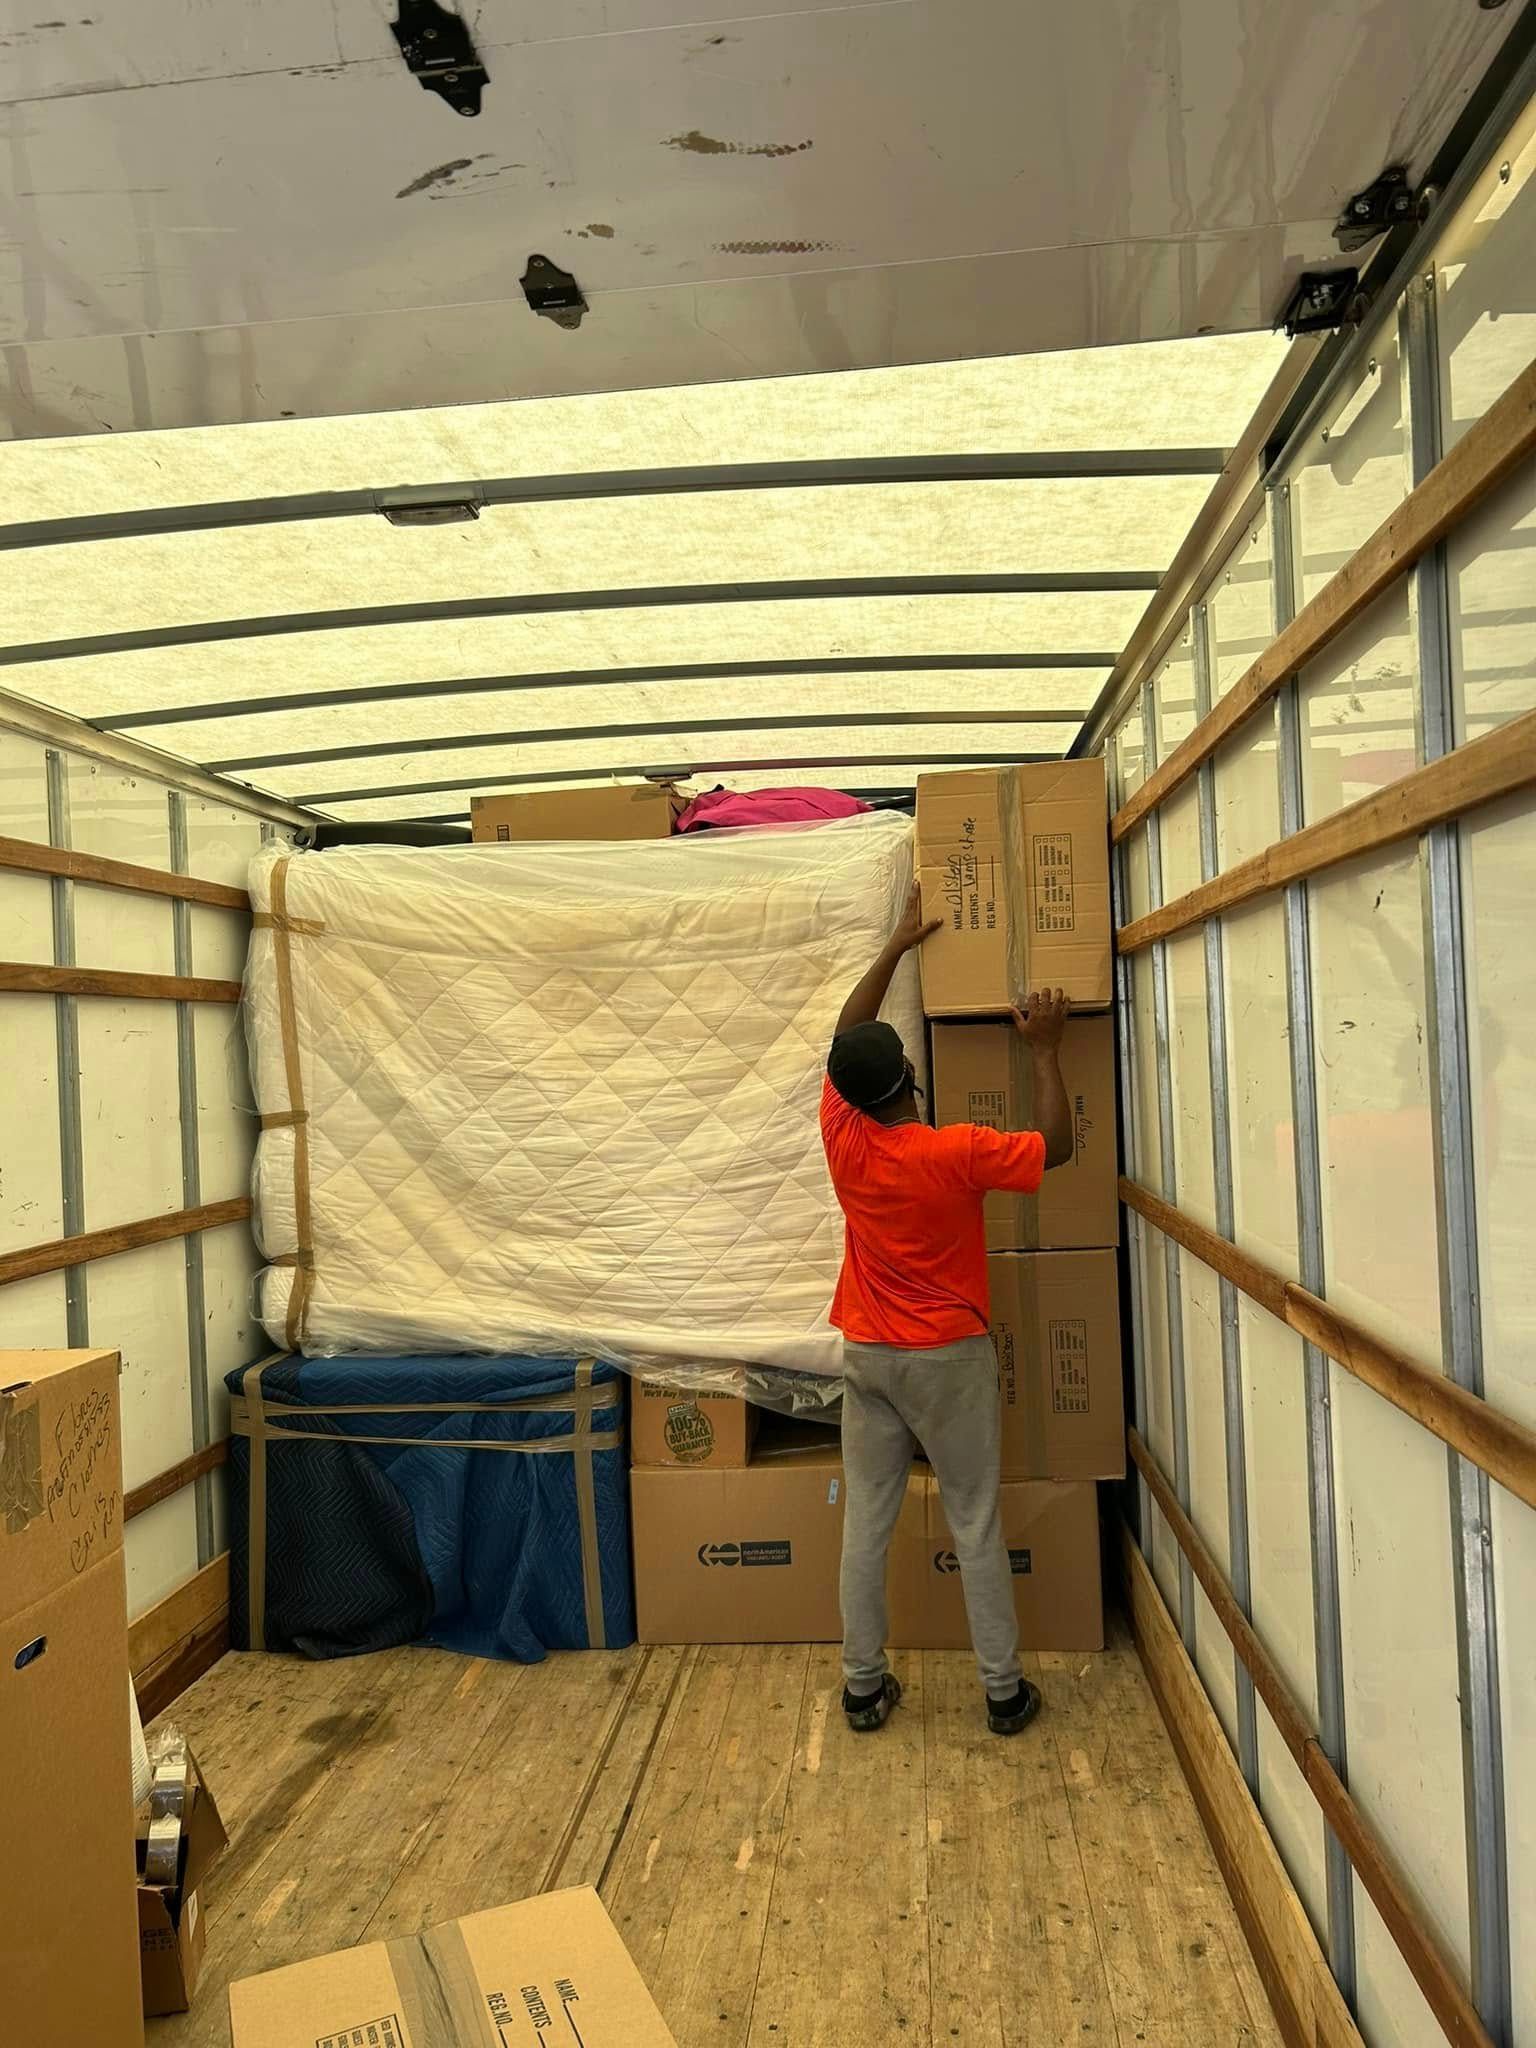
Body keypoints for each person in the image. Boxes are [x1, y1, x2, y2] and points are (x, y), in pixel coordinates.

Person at [820, 885, 1073, 1735]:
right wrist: (1043, 1050)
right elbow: (1057, 1146)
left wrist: (894, 943)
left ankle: (863, 1686)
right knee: (973, 1521)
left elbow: (841, 1043)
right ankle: (1002, 1693)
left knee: (867, 1523)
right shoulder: (955, 1152)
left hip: (868, 1352)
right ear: (912, 1079)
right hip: (950, 1359)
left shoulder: (843, 1137)